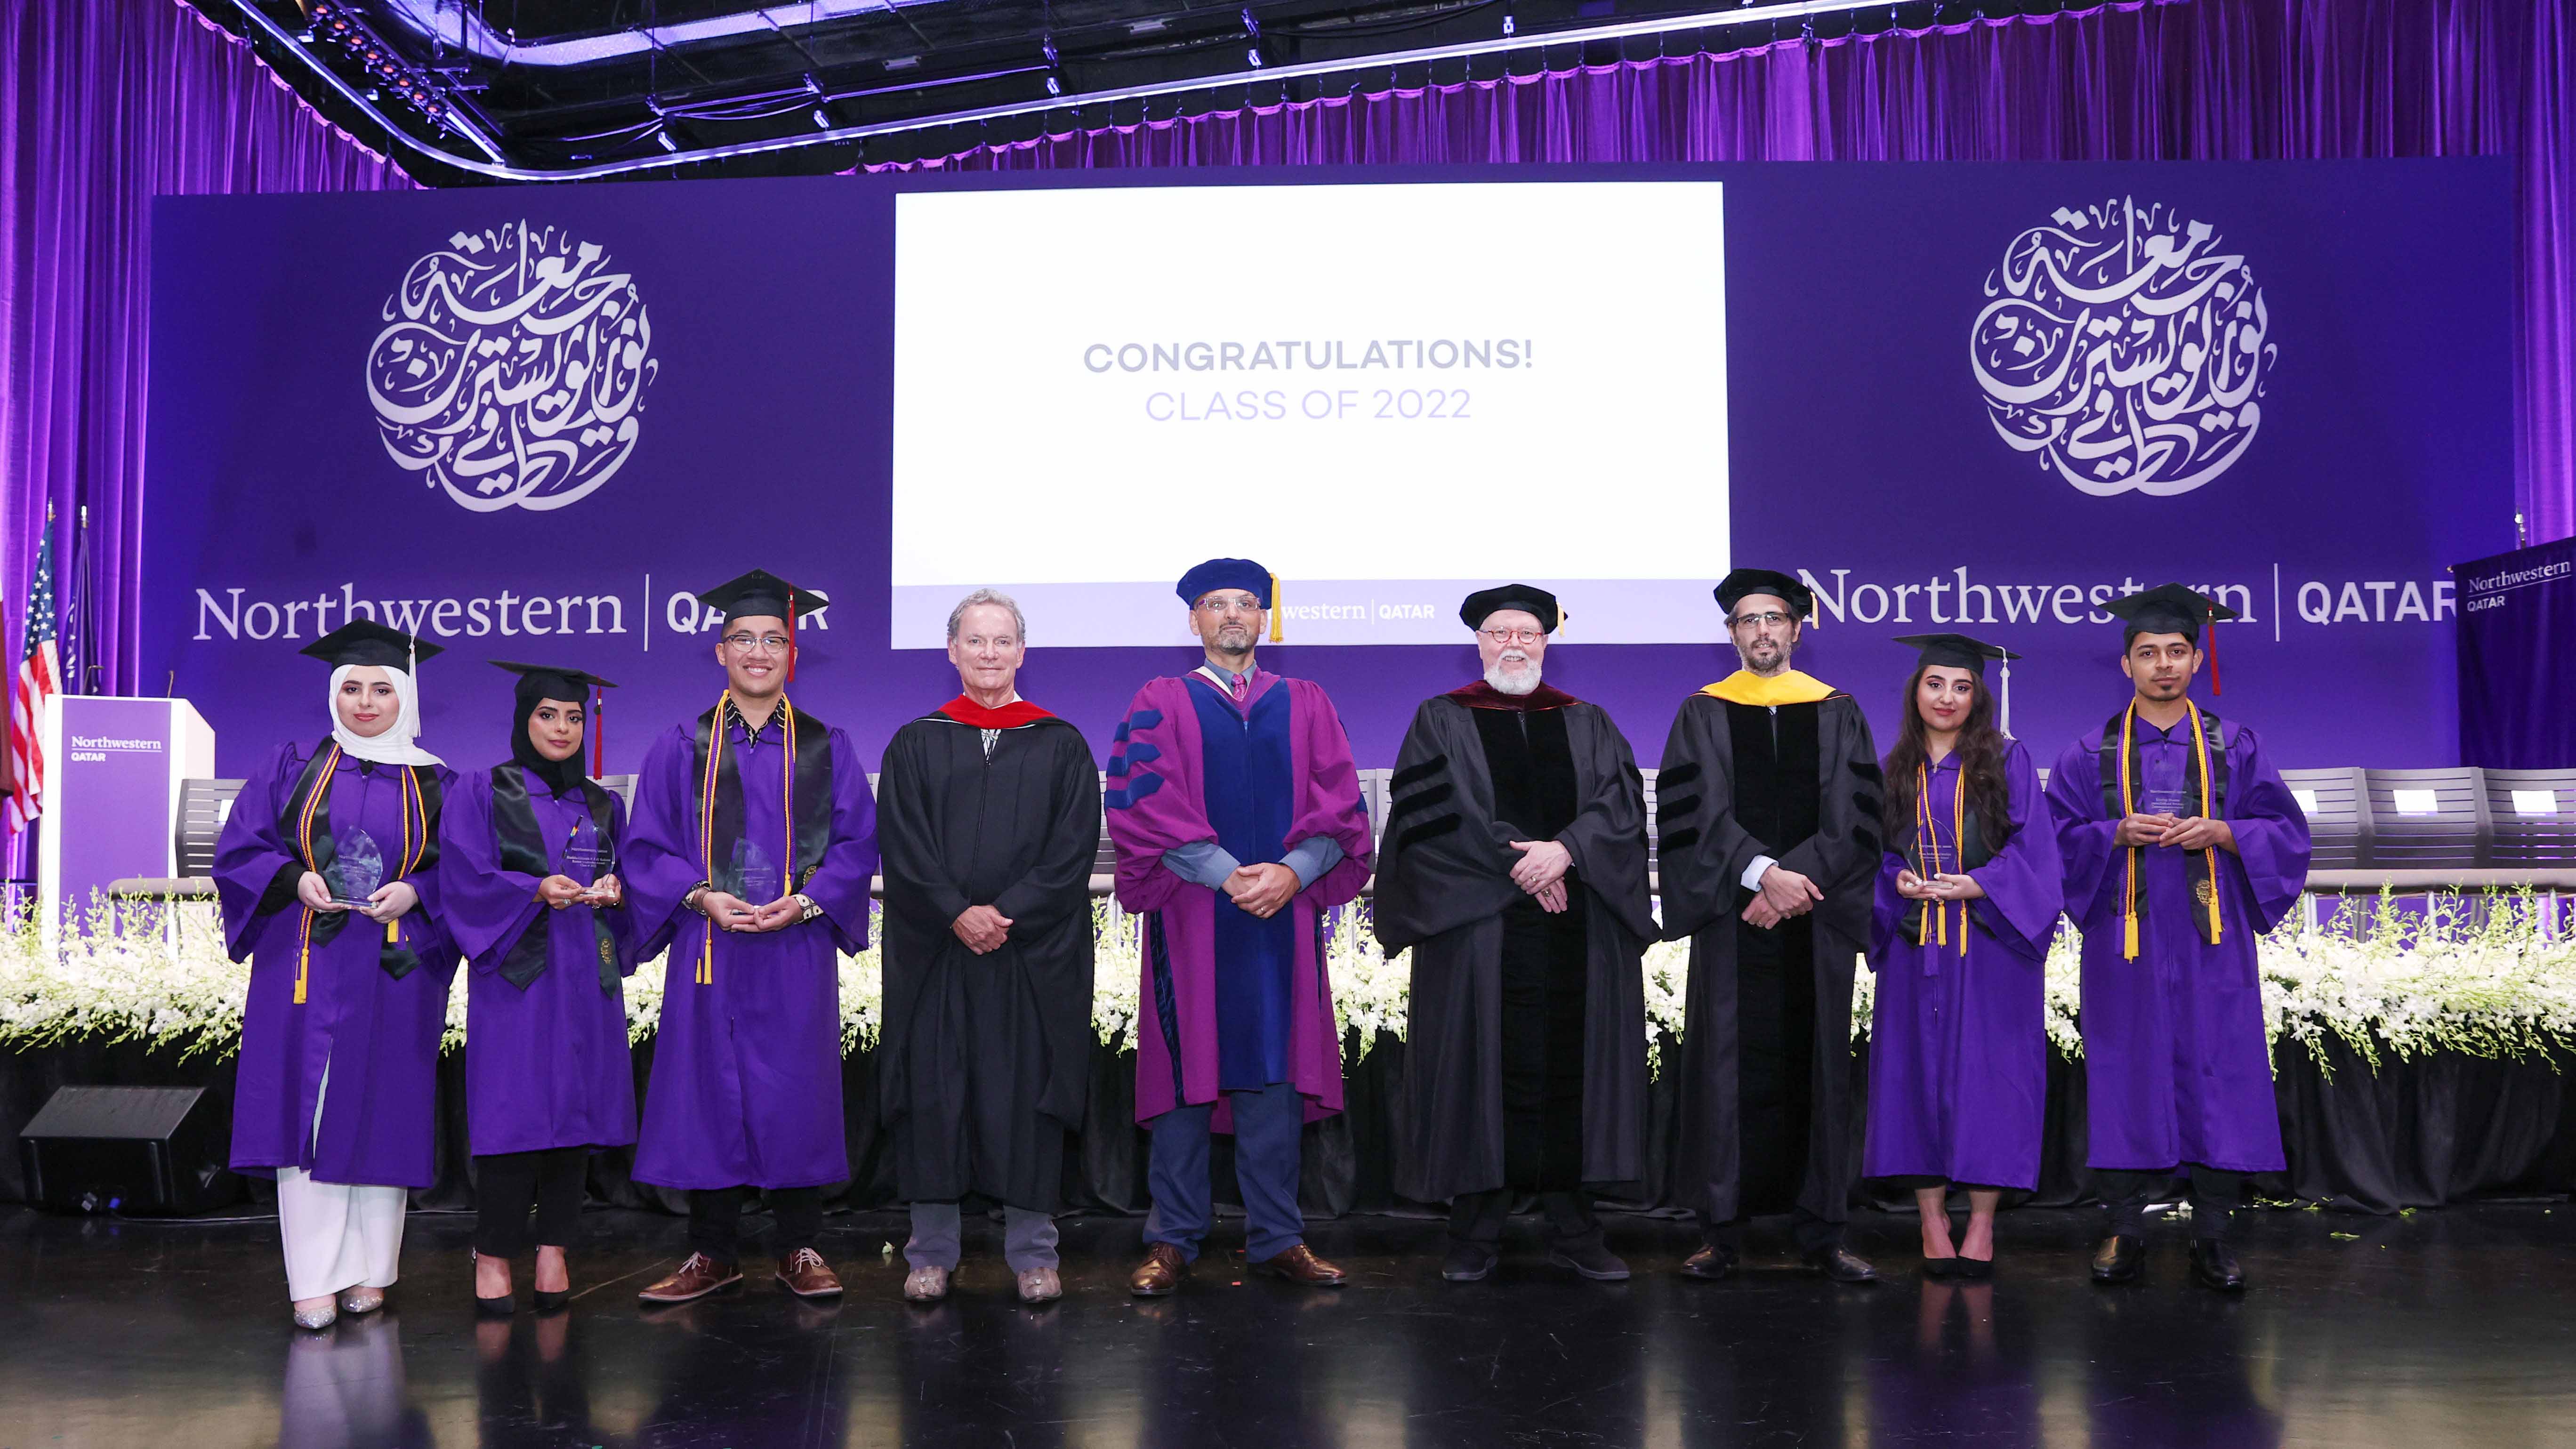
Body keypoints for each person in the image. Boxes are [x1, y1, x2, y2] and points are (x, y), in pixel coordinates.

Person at [1104, 558, 1374, 1296]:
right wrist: (1226, 871)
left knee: (1274, 1077)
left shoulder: (1308, 701)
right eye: (1216, 604)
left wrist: (1293, 872)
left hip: (1281, 917)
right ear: (1193, 619)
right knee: (1187, 1075)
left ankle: (1278, 1237)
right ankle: (1172, 1238)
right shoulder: (1161, 700)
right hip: (1193, 916)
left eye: (1247, 604)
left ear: (1264, 620)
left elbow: (1343, 803)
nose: (1232, 615)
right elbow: (1142, 803)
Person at [1373, 584, 1657, 1283]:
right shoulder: (1439, 720)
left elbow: (1619, 810)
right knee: (1480, 1068)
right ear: (1478, 642)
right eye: (1499, 632)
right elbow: (1434, 822)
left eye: (1528, 634)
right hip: (1478, 930)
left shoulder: (1589, 722)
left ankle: (1574, 1221)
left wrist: (1566, 851)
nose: (1513, 645)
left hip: (1578, 929)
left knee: (1575, 1073)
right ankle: (1475, 1225)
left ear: (1547, 643)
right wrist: (1525, 866)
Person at [2045, 583, 2310, 1292]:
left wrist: (2225, 831)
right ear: (2126, 662)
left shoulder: (2236, 748)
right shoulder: (2087, 755)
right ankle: (2125, 1228)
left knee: (2219, 1068)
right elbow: (2052, 842)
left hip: (2209, 938)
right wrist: (2113, 832)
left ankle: (2214, 1234)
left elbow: (2286, 833)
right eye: (2148, 652)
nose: (2163, 664)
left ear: (2196, 659)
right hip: (2123, 939)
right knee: (2125, 1068)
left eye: (2176, 651)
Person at [626, 570, 880, 1305]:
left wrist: (806, 902)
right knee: (706, 1088)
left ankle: (799, 1246)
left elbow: (858, 844)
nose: (760, 651)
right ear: (720, 651)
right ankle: (713, 1251)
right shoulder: (680, 747)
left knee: (795, 1087)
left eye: (774, 639)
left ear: (791, 653)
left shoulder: (828, 748)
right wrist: (702, 895)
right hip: (712, 945)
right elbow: (646, 846)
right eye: (745, 639)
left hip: (793, 945)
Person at [213, 619, 459, 1330]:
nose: (365, 701)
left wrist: (419, 891)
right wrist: (292, 878)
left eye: (383, 688)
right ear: (333, 693)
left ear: (405, 697)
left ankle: (371, 1269)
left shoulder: (436, 780)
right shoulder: (293, 766)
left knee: (382, 1102)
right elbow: (240, 849)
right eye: (351, 687)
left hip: (394, 961)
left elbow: (465, 869)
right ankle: (313, 1277)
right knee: (310, 1106)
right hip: (307, 960)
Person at [1654, 568, 1884, 1284]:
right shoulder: (1703, 711)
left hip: (1812, 922)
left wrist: (1793, 886)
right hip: (1734, 916)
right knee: (1726, 1067)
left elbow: (1858, 816)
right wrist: (1760, 874)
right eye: (1747, 620)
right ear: (1731, 632)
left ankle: (1824, 1229)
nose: (1761, 631)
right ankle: (1721, 1231)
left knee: (1820, 1064)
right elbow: (1691, 813)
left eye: (1774, 618)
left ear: (1797, 627)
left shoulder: (1838, 709)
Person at [877, 589, 1101, 1306]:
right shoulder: (916, 741)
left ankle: (1034, 1251)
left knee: (1027, 1096)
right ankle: (931, 1251)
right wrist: (955, 913)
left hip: (1028, 958)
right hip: (939, 954)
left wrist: (1003, 913)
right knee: (935, 1094)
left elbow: (1072, 854)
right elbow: (903, 846)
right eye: (975, 641)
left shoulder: (1061, 743)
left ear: (1022, 652)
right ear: (952, 652)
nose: (990, 654)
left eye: (1003, 641)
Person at [438, 661, 637, 1316]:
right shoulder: (484, 791)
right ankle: (494, 1251)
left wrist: (615, 892)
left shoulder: (602, 802)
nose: (562, 727)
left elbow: (627, 882)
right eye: (548, 714)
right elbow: (463, 876)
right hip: (517, 981)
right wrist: (533, 888)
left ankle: (555, 1246)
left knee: (573, 1114)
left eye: (574, 716)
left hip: (585, 972)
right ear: (525, 718)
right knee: (512, 1115)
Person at [1862, 634, 2063, 1278]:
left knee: (1992, 1081)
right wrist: (1892, 880)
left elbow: (2037, 852)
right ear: (1915, 690)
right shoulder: (1892, 766)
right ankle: (1929, 1217)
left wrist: (1982, 882)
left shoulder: (2006, 761)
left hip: (1990, 947)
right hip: (1916, 941)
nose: (1947, 698)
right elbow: (1870, 854)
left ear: (1978, 695)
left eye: (1961, 686)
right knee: (1915, 1077)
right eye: (1935, 684)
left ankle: (1980, 1221)